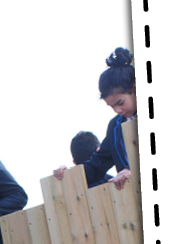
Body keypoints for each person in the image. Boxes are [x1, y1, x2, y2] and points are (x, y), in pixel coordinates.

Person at [55, 48, 138, 189]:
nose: (118, 110)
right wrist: (69, 175)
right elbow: (97, 165)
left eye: (120, 103)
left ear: (135, 90)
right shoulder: (116, 126)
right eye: (112, 107)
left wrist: (132, 171)